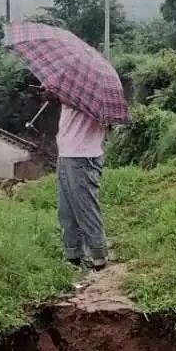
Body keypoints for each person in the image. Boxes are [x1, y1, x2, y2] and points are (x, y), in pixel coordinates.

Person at [56, 102, 108, 270]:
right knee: (67, 210)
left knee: (85, 207)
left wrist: (58, 96)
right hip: (67, 153)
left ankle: (98, 254)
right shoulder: (73, 90)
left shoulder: (87, 94)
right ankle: (74, 255)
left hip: (82, 157)